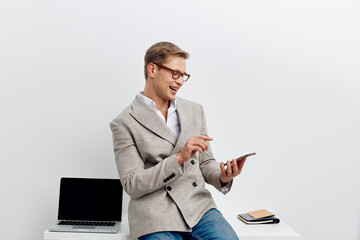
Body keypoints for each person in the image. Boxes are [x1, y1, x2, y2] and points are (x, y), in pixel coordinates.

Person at [110, 41, 247, 240]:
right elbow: (132, 184)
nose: (180, 81)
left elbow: (205, 162)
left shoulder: (194, 110)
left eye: (183, 76)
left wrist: (223, 176)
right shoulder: (124, 122)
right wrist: (179, 158)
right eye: (175, 73)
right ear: (152, 69)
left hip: (199, 209)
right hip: (155, 214)